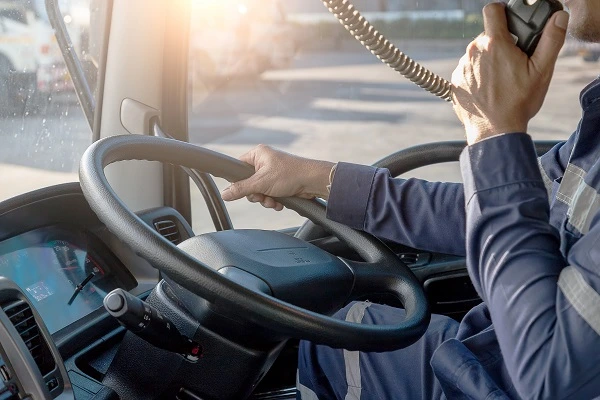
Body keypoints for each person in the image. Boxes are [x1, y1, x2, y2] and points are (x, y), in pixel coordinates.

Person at [221, 2, 600, 399]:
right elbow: (492, 206)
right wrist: (314, 178)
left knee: (330, 341)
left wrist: (494, 133)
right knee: (346, 326)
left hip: (503, 379)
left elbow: (548, 377)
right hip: (488, 357)